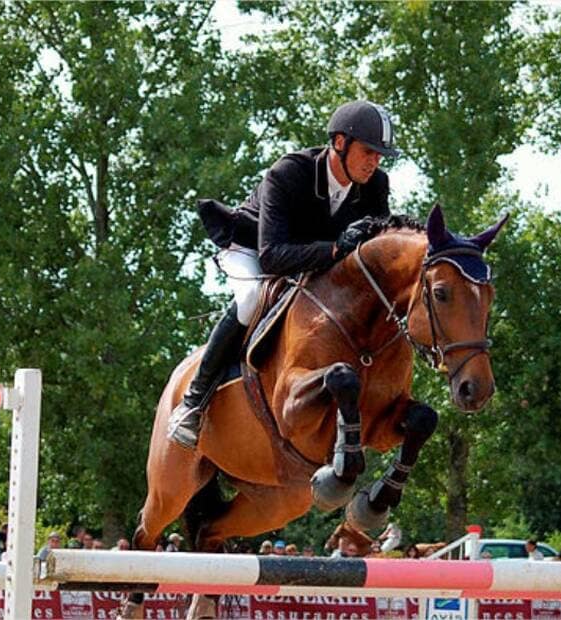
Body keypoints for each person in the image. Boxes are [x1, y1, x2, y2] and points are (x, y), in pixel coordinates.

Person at [167, 100, 398, 449]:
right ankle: (193, 402)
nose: (375, 162)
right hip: (254, 247)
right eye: (369, 151)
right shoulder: (289, 172)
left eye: (380, 155)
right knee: (250, 301)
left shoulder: (376, 184)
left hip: (313, 256)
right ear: (339, 143)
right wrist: (335, 249)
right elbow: (273, 256)